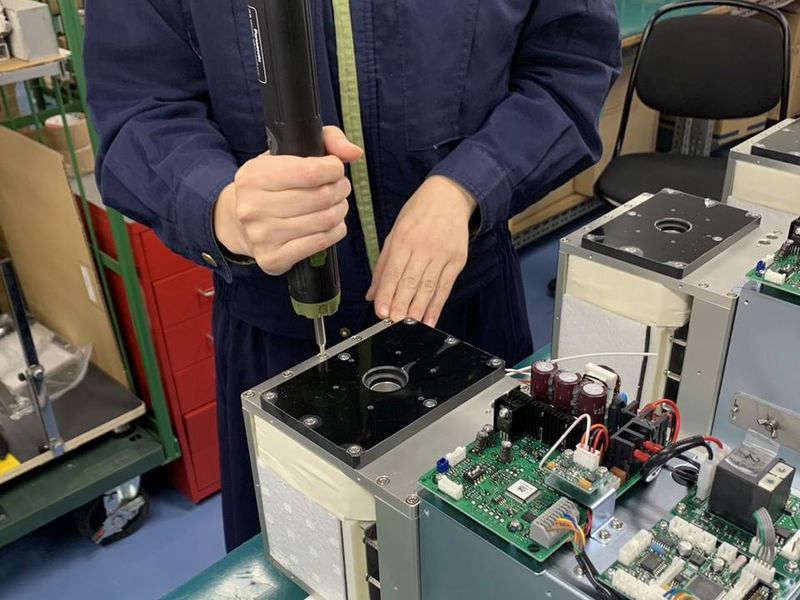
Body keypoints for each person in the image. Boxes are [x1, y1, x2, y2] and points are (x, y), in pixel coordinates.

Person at [85, 0, 621, 552]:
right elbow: (137, 107)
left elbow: (571, 65)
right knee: (303, 559)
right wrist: (219, 204)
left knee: (498, 539)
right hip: (277, 335)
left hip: (466, 310)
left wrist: (471, 182)